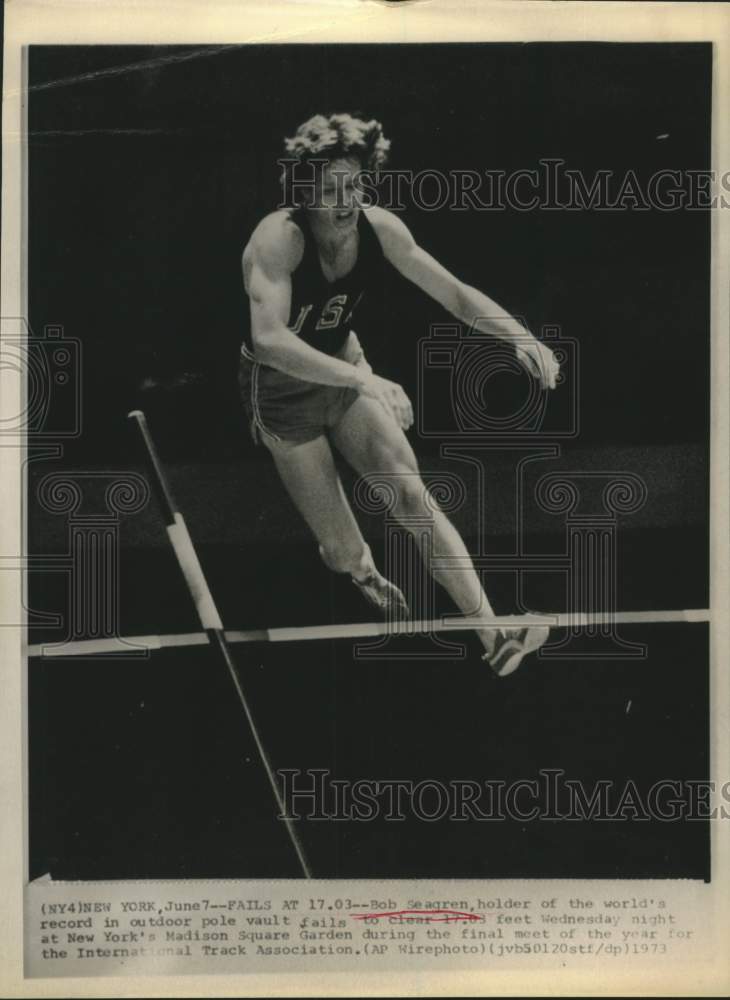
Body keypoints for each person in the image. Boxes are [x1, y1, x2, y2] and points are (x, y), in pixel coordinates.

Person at [239, 113, 559, 676]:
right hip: (284, 397)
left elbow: (455, 294)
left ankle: (495, 636)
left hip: (344, 371)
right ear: (303, 189)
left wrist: (519, 334)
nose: (345, 202)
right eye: (330, 188)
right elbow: (269, 342)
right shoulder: (278, 239)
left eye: (355, 185)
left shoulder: (379, 228)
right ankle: (362, 570)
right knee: (340, 551)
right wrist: (366, 380)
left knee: (412, 499)